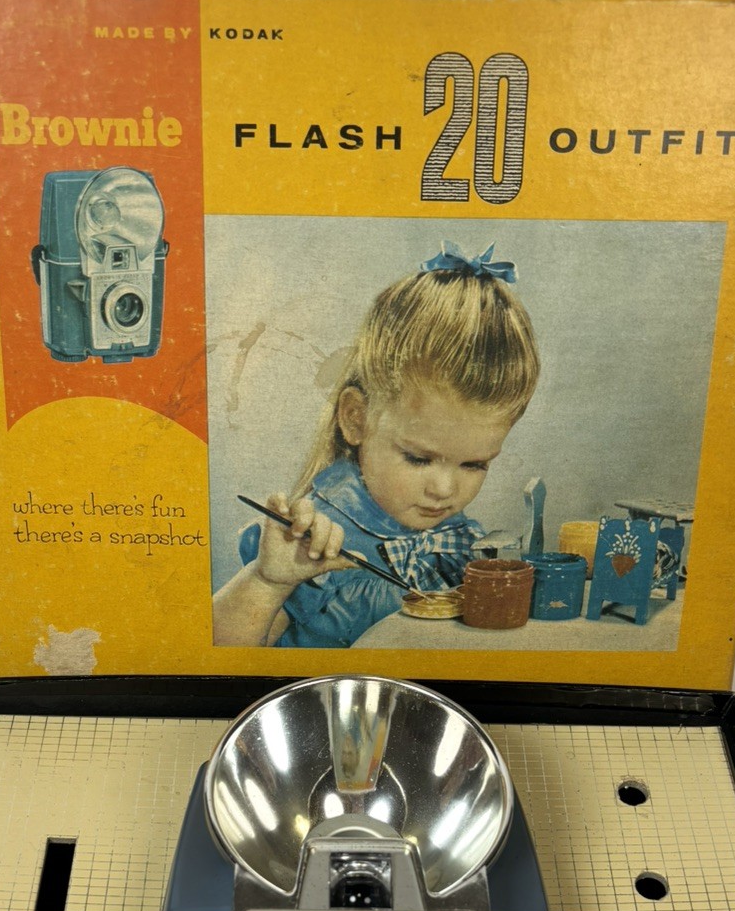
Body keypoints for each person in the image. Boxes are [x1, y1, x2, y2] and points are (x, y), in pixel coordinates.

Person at [212, 243, 540, 648]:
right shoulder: (310, 541)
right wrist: (267, 582)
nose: (444, 490)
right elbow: (220, 659)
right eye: (418, 459)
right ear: (356, 419)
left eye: (474, 465)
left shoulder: (454, 536)